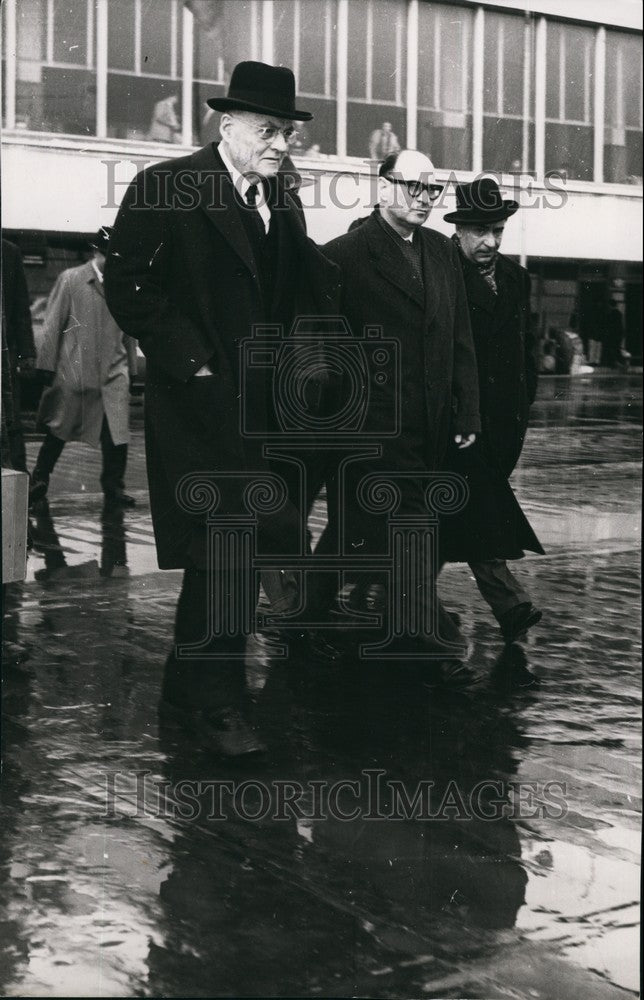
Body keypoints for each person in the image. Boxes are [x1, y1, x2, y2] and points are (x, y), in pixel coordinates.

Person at [104, 61, 340, 757]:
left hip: (266, 413)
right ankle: (218, 704)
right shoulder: (167, 186)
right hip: (201, 409)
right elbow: (130, 286)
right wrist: (195, 363)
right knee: (223, 553)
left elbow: (297, 287)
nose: (281, 144)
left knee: (237, 552)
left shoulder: (282, 199)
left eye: (288, 132)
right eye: (270, 130)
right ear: (227, 124)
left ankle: (188, 689)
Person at [316, 150, 481, 669]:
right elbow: (324, 347)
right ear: (382, 186)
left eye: (432, 190)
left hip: (431, 423)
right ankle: (424, 635)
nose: (423, 199)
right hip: (374, 426)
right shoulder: (343, 254)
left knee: (355, 527)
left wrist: (468, 411)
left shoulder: (440, 251)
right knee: (411, 522)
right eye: (412, 186)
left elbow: (459, 338)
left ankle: (309, 602)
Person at [442, 177, 543, 643]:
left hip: (504, 424)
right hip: (458, 422)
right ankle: (510, 603)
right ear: (459, 230)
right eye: (481, 231)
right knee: (479, 506)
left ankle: (378, 591)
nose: (491, 242)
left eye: (498, 230)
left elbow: (527, 347)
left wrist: (525, 399)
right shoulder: (440, 271)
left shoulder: (516, 278)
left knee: (449, 519)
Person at [30, 227, 137, 512]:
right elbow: (53, 326)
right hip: (75, 372)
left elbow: (129, 331)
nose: (114, 263)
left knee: (117, 433)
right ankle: (39, 479)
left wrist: (132, 371)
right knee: (59, 428)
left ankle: (114, 487)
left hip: (114, 373)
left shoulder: (122, 284)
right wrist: (46, 368)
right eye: (110, 256)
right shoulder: (71, 280)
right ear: (96, 252)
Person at [1, 239, 37, 473]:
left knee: (10, 419)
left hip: (4, 353)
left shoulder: (9, 252)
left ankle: (20, 486)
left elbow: (21, 308)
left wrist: (26, 353)